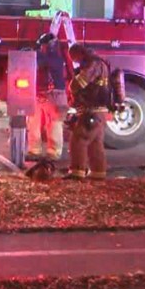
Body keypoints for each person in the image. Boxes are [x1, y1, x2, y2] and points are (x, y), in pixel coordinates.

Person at [65, 43, 110, 180]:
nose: (74, 61)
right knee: (95, 143)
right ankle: (98, 173)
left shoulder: (92, 64)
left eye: (74, 57)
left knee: (78, 140)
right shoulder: (99, 62)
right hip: (98, 111)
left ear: (79, 53)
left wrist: (71, 85)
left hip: (90, 109)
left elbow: (80, 83)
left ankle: (76, 172)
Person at [27, 33, 67, 161]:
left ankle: (53, 152)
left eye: (43, 46)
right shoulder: (53, 57)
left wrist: (32, 53)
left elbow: (39, 63)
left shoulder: (54, 58)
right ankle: (35, 150)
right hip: (41, 94)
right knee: (33, 122)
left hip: (55, 95)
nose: (41, 48)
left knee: (54, 124)